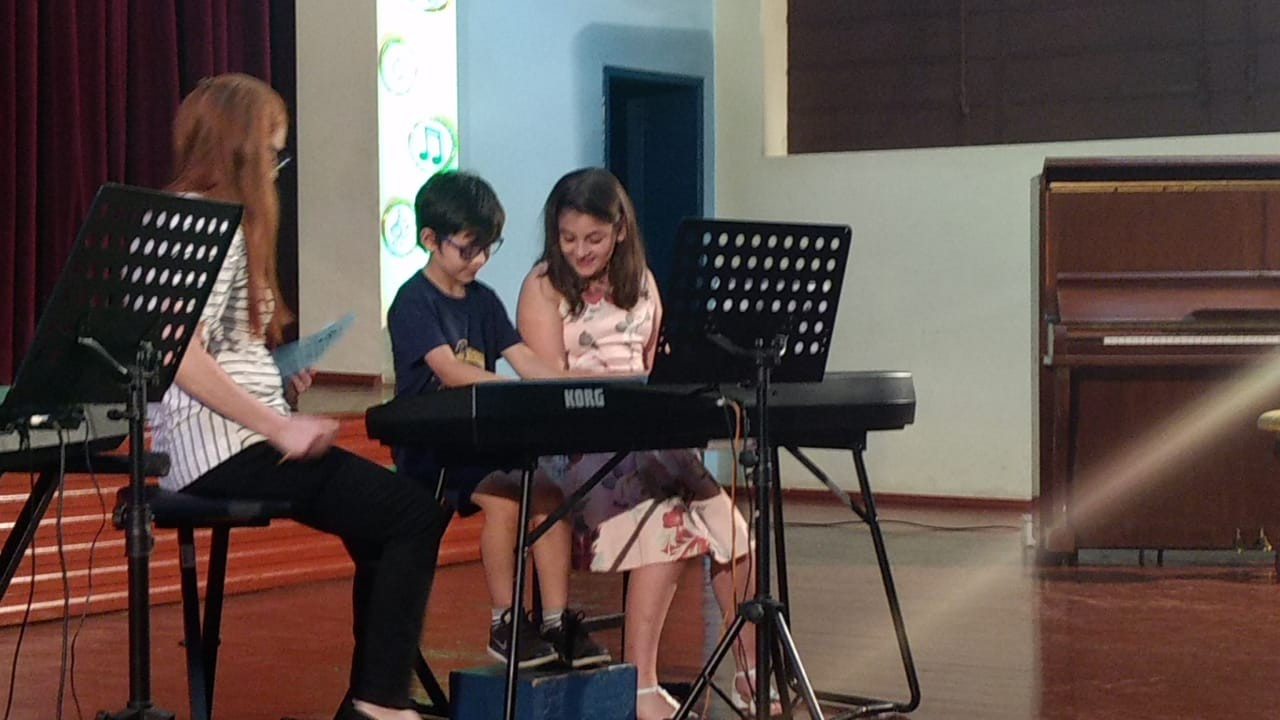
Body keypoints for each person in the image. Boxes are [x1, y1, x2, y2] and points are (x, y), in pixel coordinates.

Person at [151, 74, 444, 720]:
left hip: (237, 437)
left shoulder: (212, 223)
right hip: (223, 450)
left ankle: (375, 697)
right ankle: (378, 702)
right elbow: (179, 356)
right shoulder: (193, 221)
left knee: (386, 522)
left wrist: (277, 376)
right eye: (272, 153)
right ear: (240, 149)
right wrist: (279, 426)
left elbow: (216, 350)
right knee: (412, 516)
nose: (275, 171)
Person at [517, 167, 782, 719]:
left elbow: (658, 365)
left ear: (619, 231)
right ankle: (640, 685)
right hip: (582, 447)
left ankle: (751, 673)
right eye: (568, 238)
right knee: (669, 523)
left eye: (593, 238)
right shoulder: (543, 286)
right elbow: (545, 386)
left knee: (734, 531)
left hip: (648, 440)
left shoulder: (642, 283)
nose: (580, 251)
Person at [387, 170, 609, 669]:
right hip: (433, 447)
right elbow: (449, 370)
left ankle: (555, 621)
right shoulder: (412, 301)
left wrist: (566, 386)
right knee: (506, 499)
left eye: (488, 248)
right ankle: (504, 621)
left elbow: (522, 357)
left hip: (479, 439)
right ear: (430, 239)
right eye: (469, 249)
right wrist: (513, 392)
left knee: (548, 493)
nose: (480, 260)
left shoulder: (484, 300)